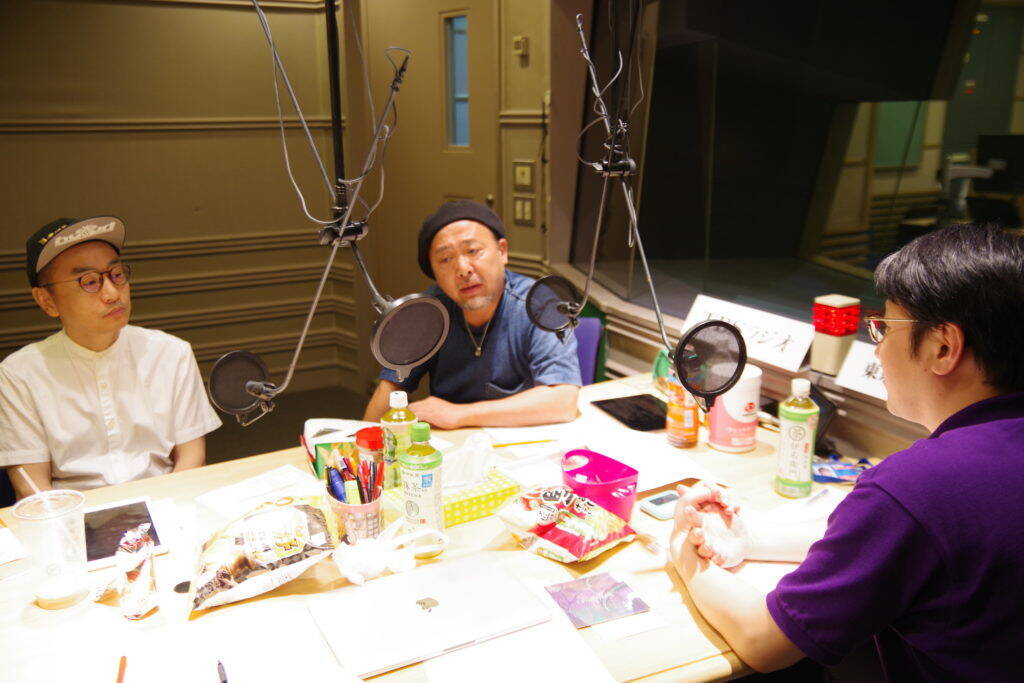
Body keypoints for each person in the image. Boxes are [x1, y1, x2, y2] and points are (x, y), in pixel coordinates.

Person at [669, 223, 1024, 679]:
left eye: (884, 329)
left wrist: (680, 549)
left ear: (943, 346)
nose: (878, 351)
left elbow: (763, 641)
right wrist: (752, 539)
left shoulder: (919, 485)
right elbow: (898, 545)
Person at [0, 216, 222, 498]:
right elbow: (32, 489)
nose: (112, 293)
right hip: (74, 513)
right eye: (89, 281)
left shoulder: (171, 353)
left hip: (166, 502)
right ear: (48, 301)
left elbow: (192, 460)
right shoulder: (19, 374)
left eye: (116, 275)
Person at [363, 201, 581, 429]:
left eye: (473, 251)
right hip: (451, 444)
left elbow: (563, 401)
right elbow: (389, 390)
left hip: (524, 438)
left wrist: (460, 415)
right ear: (434, 272)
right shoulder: (427, 314)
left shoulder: (540, 304)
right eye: (445, 259)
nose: (463, 269)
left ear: (502, 251)